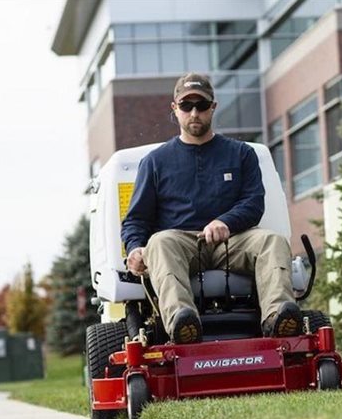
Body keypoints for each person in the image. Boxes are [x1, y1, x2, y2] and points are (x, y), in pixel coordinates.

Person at [121, 72, 302, 344]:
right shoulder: (155, 162)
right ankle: (182, 322)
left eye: (202, 106)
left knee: (272, 240)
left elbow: (253, 203)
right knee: (158, 241)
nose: (194, 113)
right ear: (175, 109)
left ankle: (278, 318)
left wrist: (225, 222)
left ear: (213, 107)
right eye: (186, 106)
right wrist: (134, 248)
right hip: (181, 242)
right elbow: (136, 220)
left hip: (233, 240)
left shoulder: (241, 153)